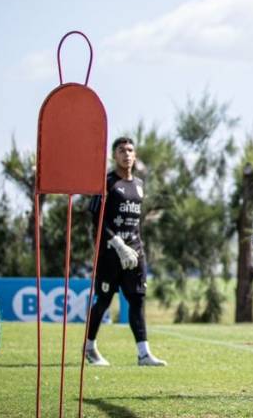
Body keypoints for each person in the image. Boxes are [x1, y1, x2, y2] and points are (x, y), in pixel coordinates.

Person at [84, 136, 167, 367]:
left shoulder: (139, 185)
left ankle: (143, 354)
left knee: (137, 299)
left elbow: (136, 222)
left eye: (130, 150)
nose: (126, 154)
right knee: (104, 300)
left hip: (135, 252)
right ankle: (89, 347)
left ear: (135, 155)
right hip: (110, 253)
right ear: (114, 155)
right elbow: (96, 220)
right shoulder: (106, 183)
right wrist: (117, 244)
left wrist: (135, 248)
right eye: (122, 150)